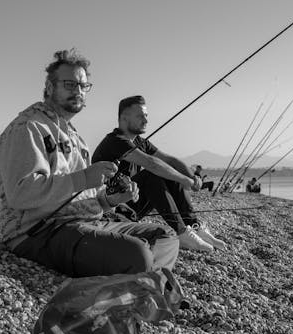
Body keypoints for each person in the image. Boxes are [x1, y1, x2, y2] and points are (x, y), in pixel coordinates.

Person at [0, 50, 179, 277]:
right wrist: (82, 178)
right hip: (39, 232)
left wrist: (110, 200)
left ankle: (147, 287)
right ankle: (152, 288)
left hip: (85, 223)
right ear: (50, 87)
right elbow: (20, 193)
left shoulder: (75, 138)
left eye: (83, 86)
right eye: (70, 84)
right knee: (137, 253)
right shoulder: (28, 127)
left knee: (165, 236)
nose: (79, 91)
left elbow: (84, 197)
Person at [92, 95, 226, 252]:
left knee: (169, 171)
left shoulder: (140, 142)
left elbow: (169, 160)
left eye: (146, 116)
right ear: (124, 118)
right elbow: (152, 164)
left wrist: (192, 177)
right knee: (153, 175)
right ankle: (181, 232)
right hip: (111, 211)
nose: (146, 120)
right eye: (140, 116)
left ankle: (194, 226)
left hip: (130, 203)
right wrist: (184, 180)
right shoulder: (114, 141)